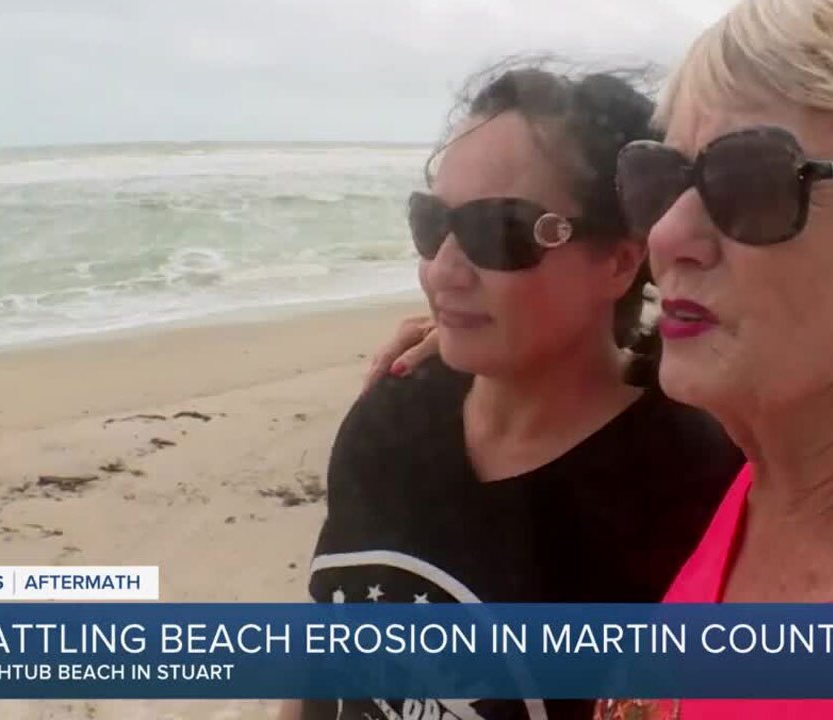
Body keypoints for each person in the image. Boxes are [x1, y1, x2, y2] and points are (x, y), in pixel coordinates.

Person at [374, 1, 833, 717]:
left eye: (753, 186)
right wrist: (486, 334)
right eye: (663, 179)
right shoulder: (800, 455)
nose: (669, 234)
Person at [284, 61, 743, 720]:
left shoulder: (689, 492)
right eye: (432, 225)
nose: (442, 270)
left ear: (619, 259)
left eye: (497, 232)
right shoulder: (394, 412)